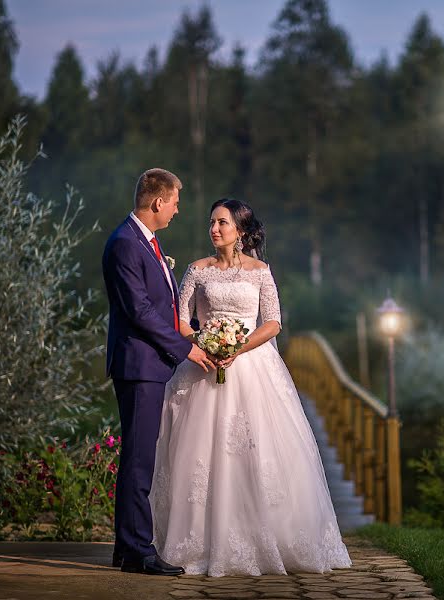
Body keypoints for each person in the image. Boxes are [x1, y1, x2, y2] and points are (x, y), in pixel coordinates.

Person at [149, 198, 351, 576]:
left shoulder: (260, 271)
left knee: (256, 450)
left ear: (240, 231)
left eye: (222, 223)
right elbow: (179, 320)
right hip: (204, 365)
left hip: (253, 366)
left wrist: (237, 347)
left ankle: (267, 536)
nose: (214, 229)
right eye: (211, 222)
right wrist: (205, 344)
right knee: (200, 454)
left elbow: (273, 322)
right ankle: (198, 541)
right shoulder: (196, 270)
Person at [102, 168, 215, 575]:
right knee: (139, 459)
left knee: (138, 456)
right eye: (174, 202)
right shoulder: (125, 245)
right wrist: (185, 349)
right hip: (138, 365)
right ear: (157, 202)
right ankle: (138, 551)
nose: (177, 210)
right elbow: (140, 312)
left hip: (148, 363)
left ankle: (125, 547)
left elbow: (160, 305)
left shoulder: (144, 242)